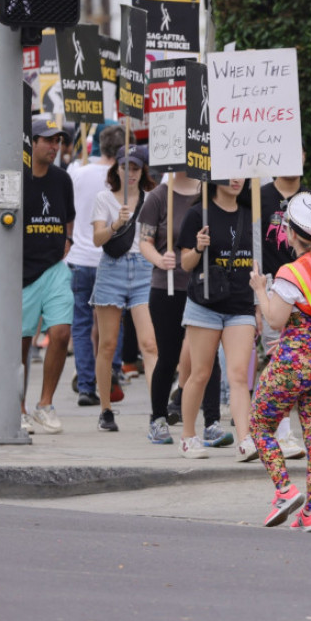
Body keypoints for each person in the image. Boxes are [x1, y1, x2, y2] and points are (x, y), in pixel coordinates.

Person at [249, 192, 311, 532]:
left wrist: (261, 289)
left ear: (291, 234)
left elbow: (275, 321)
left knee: (259, 426)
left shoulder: (290, 271)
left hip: (293, 361)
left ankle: (284, 490)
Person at [0, 117, 76, 434]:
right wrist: (4, 201)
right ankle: (18, 408)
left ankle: (44, 404)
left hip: (53, 269)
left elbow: (69, 217)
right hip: (19, 272)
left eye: (57, 141)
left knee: (61, 333)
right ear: (31, 143)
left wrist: (68, 240)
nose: (54, 146)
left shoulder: (63, 179)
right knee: (20, 347)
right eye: (47, 140)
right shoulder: (11, 177)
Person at [139, 171, 229, 447]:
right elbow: (145, 241)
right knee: (168, 356)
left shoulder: (209, 196)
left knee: (208, 357)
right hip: (167, 287)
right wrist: (159, 259)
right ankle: (158, 419)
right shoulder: (157, 197)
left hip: (203, 287)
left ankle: (211, 422)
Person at [176, 179, 257, 460]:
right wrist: (198, 248)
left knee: (238, 375)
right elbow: (185, 263)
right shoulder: (199, 213)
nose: (237, 179)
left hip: (241, 305)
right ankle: (188, 436)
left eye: (241, 173)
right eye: (230, 172)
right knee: (200, 373)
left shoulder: (251, 211)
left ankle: (245, 439)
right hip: (205, 304)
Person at [89, 144, 158, 432]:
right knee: (107, 344)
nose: (129, 173)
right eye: (124, 167)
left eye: (135, 168)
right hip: (112, 269)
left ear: (143, 171)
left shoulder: (151, 198)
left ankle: (159, 411)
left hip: (144, 268)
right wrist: (118, 223)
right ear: (115, 168)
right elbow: (97, 239)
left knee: (150, 344)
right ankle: (105, 408)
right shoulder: (104, 198)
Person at [66, 124, 123, 406]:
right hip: (109, 259)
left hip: (79, 258)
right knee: (113, 323)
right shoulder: (123, 177)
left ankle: (87, 384)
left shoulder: (78, 172)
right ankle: (111, 373)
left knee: (81, 324)